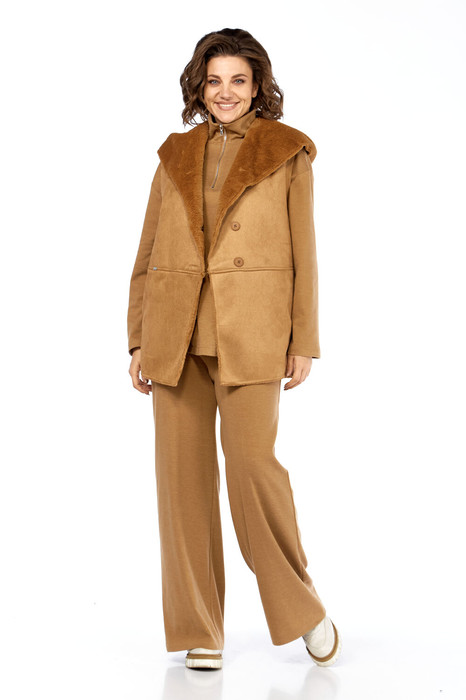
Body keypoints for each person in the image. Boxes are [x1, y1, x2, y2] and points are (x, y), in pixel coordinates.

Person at [127, 27, 341, 670]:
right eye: (214, 80)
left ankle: (301, 608)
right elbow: (148, 249)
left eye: (238, 80)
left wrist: (303, 338)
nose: (225, 92)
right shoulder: (174, 152)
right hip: (176, 335)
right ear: (199, 87)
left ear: (257, 85)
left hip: (254, 334)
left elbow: (305, 251)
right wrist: (138, 337)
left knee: (253, 471)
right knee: (181, 484)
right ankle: (200, 628)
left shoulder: (286, 150)